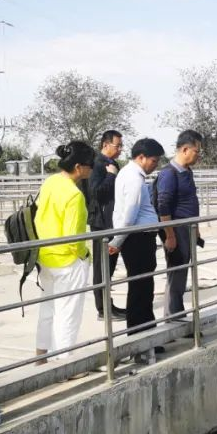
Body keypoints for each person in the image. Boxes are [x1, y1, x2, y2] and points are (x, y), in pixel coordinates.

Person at [34, 141, 95, 363]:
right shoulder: (74, 195)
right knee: (68, 314)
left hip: (45, 256)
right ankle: (64, 364)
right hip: (68, 261)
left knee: (47, 309)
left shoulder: (50, 182)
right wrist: (84, 255)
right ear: (78, 166)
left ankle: (41, 356)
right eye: (90, 164)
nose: (92, 168)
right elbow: (73, 238)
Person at [108, 138, 164, 361]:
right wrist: (117, 242)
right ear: (141, 157)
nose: (155, 165)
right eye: (153, 160)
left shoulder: (132, 175)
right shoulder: (133, 178)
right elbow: (129, 215)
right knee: (140, 289)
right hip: (137, 239)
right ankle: (138, 340)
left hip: (139, 237)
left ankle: (146, 335)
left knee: (143, 287)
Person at [155, 130, 203, 320]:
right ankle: (173, 317)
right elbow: (163, 206)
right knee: (176, 275)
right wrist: (170, 235)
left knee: (182, 274)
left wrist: (196, 228)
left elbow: (190, 201)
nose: (198, 155)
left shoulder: (186, 172)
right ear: (185, 149)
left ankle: (177, 314)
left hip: (188, 229)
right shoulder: (169, 174)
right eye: (197, 151)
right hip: (177, 231)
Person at [87, 130, 127, 321]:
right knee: (101, 267)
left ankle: (107, 303)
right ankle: (102, 308)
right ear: (105, 144)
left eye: (121, 146)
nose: (120, 149)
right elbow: (96, 193)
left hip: (113, 222)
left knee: (109, 266)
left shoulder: (112, 164)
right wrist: (111, 177)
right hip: (101, 224)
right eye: (117, 145)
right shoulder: (97, 165)